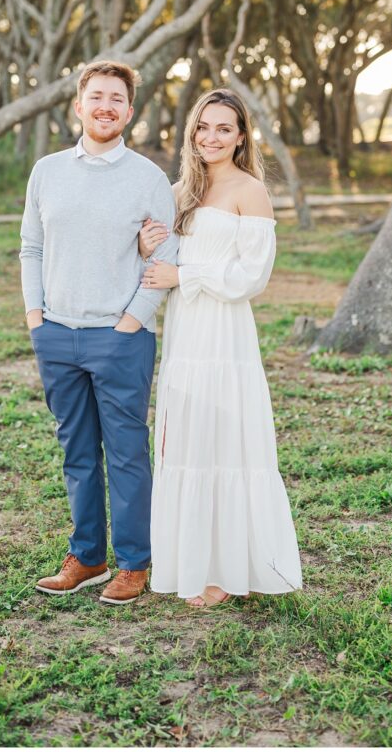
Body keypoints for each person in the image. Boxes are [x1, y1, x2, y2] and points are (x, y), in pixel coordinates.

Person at [19, 60, 179, 605]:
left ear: (129, 112)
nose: (106, 106)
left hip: (120, 337)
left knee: (127, 452)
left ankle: (134, 562)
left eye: (117, 99)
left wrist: (132, 319)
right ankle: (87, 556)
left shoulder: (148, 178)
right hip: (57, 334)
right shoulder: (47, 171)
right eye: (97, 96)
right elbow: (31, 247)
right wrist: (35, 317)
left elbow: (167, 255)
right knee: (78, 450)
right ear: (79, 105)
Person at [138, 88, 302, 608]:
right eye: (203, 127)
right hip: (185, 330)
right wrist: (149, 248)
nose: (210, 137)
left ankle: (228, 570)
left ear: (240, 137)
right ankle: (192, 560)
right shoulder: (180, 189)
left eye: (223, 129)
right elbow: (159, 254)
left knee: (224, 440)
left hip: (223, 330)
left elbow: (253, 276)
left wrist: (185, 273)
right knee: (186, 437)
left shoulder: (249, 190)